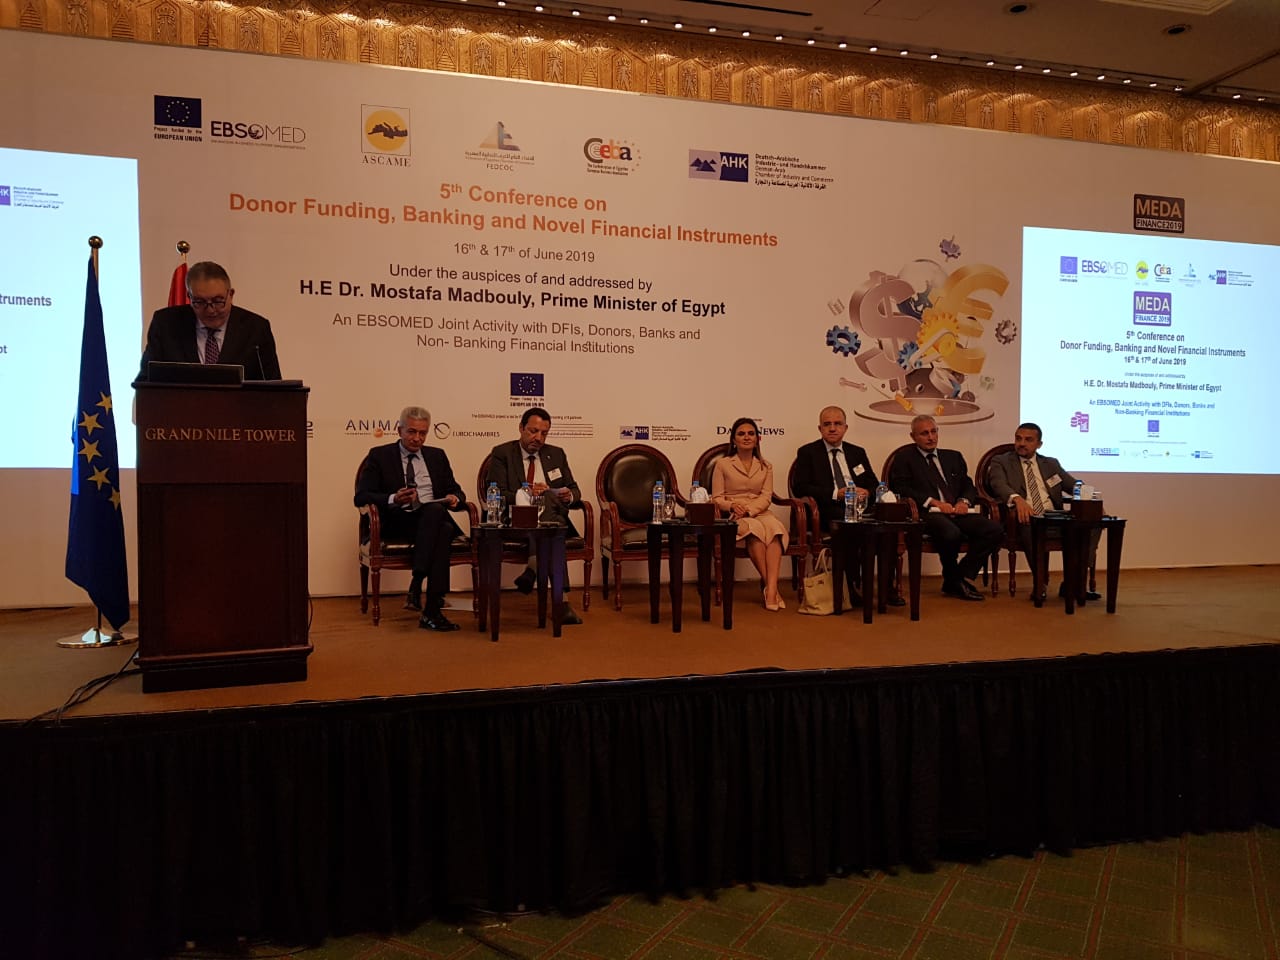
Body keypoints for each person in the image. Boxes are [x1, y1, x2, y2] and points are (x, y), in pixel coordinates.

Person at [354, 406, 467, 631]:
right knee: (441, 525)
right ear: (400, 430)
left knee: (438, 520)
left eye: (422, 433)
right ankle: (428, 603)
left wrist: (456, 498)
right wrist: (394, 498)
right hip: (398, 523)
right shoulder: (380, 455)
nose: (417, 438)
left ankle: (424, 597)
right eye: (412, 432)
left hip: (431, 522)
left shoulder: (437, 456)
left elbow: (456, 490)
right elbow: (361, 497)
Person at [792, 405, 905, 607]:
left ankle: (887, 588)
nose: (832, 428)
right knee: (849, 524)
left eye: (837, 424)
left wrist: (867, 492)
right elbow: (800, 487)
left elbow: (873, 483)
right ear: (820, 428)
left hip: (861, 507)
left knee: (886, 528)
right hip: (829, 509)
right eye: (827, 424)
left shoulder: (856, 452)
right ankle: (850, 587)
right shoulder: (808, 452)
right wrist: (836, 493)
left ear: (845, 428)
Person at [485, 407, 584, 625]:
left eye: (544, 433)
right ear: (521, 428)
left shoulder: (556, 454)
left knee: (549, 505)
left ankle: (532, 568)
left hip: (549, 519)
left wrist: (568, 495)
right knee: (554, 527)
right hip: (516, 519)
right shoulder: (502, 453)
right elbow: (496, 493)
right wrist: (527, 493)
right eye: (533, 431)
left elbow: (575, 490)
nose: (538, 438)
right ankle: (562, 602)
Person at [888, 415, 1003, 601]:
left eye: (933, 432)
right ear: (913, 436)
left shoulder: (953, 456)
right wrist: (933, 502)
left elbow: (967, 485)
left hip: (956, 510)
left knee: (994, 529)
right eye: (924, 433)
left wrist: (963, 501)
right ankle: (955, 581)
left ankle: (957, 577)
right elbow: (900, 488)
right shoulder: (904, 458)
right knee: (951, 533)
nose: (930, 437)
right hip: (926, 513)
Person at [986, 421, 1101, 601]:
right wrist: (1017, 499)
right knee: (1028, 521)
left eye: (1028, 440)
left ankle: (1073, 582)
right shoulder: (1001, 461)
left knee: (1093, 524)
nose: (1021, 443)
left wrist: (1091, 499)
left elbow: (1073, 485)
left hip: (1055, 517)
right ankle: (1040, 582)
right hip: (1026, 516)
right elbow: (998, 484)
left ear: (1039, 444)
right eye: (1018, 438)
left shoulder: (1050, 464)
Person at [137, 261, 281, 380]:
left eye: (218, 301)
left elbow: (274, 388)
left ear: (231, 295)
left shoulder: (256, 329)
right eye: (200, 302)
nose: (210, 310)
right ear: (189, 297)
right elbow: (145, 382)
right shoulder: (166, 325)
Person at [712, 417, 791, 611]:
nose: (746, 437)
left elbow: (766, 497)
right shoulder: (722, 464)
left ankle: (770, 589)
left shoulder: (766, 465)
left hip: (760, 511)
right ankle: (772, 591)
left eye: (751, 433)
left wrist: (750, 509)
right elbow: (716, 498)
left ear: (757, 439)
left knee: (775, 530)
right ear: (734, 440)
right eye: (741, 434)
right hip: (736, 515)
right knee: (755, 530)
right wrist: (732, 506)